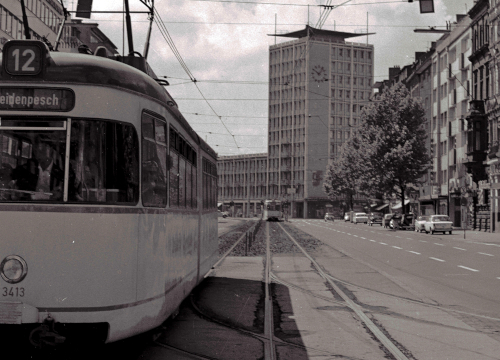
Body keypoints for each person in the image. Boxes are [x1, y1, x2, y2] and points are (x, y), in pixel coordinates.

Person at [10, 136, 65, 200]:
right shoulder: (27, 169)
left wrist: (61, 195)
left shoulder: (62, 172)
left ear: (51, 150)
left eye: (42, 151)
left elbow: (71, 194)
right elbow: (17, 189)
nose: (38, 155)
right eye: (35, 151)